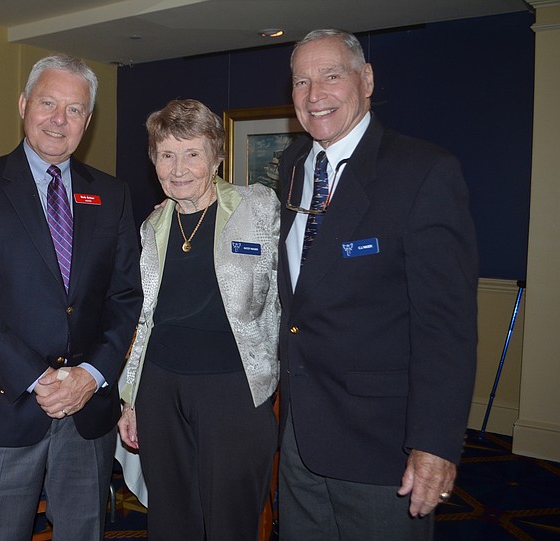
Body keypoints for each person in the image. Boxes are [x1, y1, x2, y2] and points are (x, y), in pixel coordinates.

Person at [276, 29, 478, 540]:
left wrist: (434, 444)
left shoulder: (423, 172)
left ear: (366, 80)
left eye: (330, 75)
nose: (314, 93)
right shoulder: (293, 168)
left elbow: (445, 325)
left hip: (382, 446)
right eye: (301, 81)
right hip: (299, 437)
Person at [0, 54, 142, 541]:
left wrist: (90, 376)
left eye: (74, 110)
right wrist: (39, 378)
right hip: (2, 407)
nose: (59, 119)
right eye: (48, 103)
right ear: (24, 104)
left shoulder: (111, 195)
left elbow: (125, 297)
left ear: (88, 122)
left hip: (86, 411)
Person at [117, 99, 280, 540]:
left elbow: (286, 299)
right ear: (153, 161)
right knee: (170, 519)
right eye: (166, 155)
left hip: (233, 390)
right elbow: (144, 320)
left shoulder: (258, 208)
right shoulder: (152, 227)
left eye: (192, 153)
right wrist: (131, 397)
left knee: (231, 521)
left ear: (217, 157)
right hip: (160, 390)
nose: (179, 168)